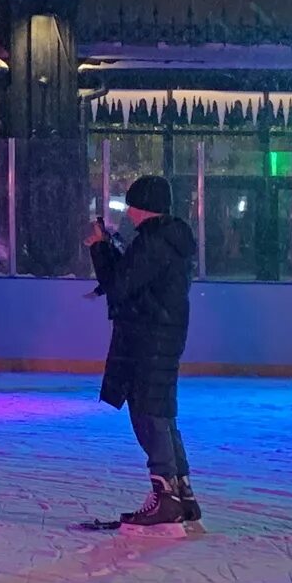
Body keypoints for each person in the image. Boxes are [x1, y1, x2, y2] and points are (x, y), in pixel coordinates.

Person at [87, 173, 200, 526]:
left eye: (132, 205)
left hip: (147, 337)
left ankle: (166, 495)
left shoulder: (153, 242)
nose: (129, 212)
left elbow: (120, 285)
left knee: (148, 413)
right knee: (161, 411)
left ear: (143, 207)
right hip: (162, 335)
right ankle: (181, 492)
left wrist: (99, 248)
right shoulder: (167, 240)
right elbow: (134, 279)